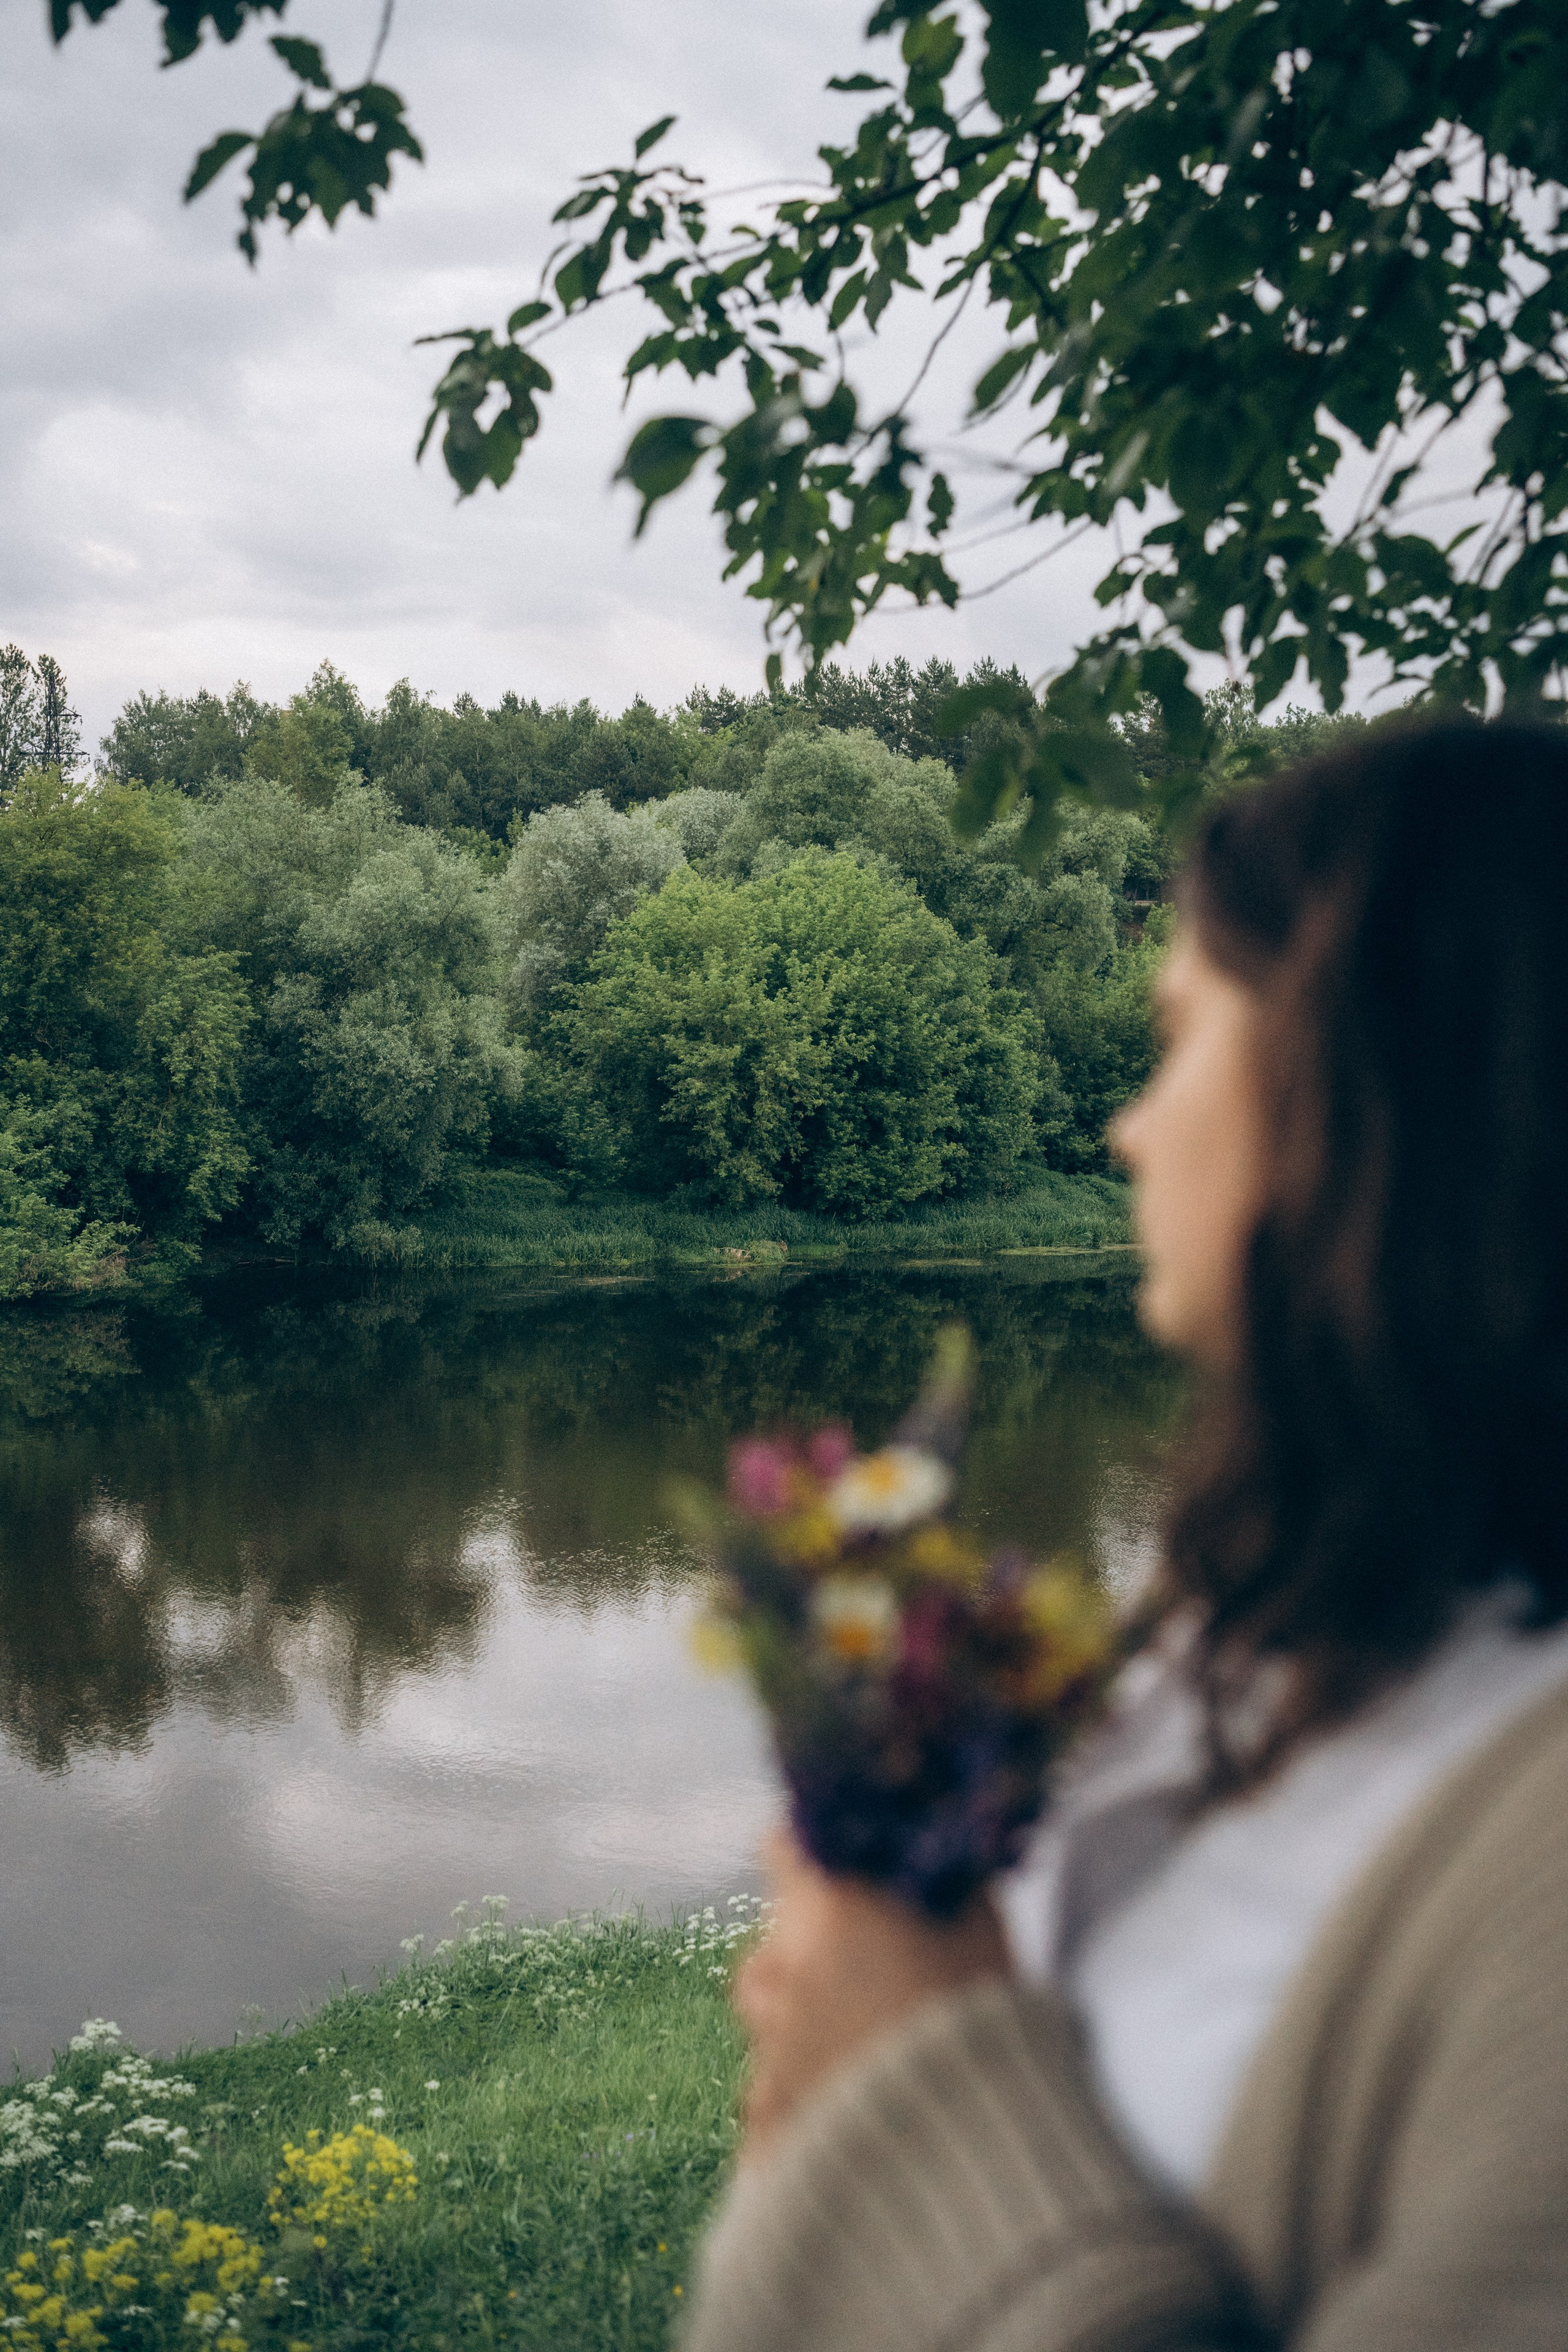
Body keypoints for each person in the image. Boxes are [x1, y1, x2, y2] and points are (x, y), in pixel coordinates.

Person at [681, 718, 1568, 2352]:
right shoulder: (1255, 1632)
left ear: (1366, 1075)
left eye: (1176, 1039)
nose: (1128, 1130)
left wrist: (915, 2068)